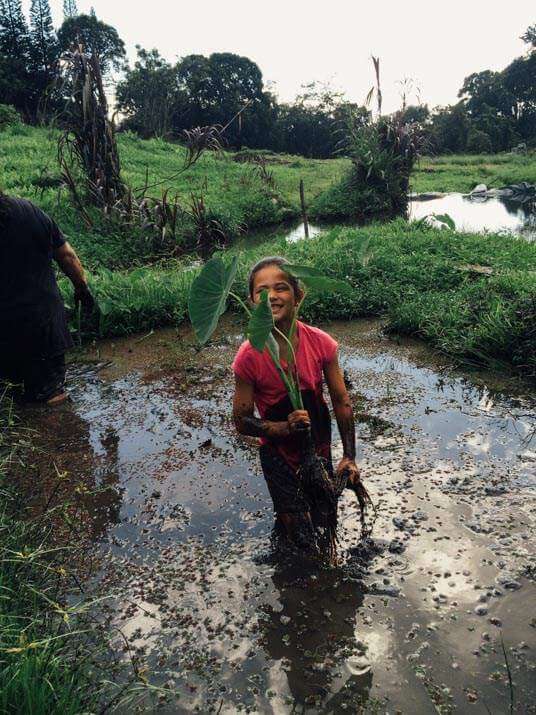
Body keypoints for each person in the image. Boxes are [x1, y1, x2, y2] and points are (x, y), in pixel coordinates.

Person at [232, 256, 363, 546]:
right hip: (278, 453)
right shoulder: (249, 355)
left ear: (298, 295)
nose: (272, 297)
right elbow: (241, 421)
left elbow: (341, 400)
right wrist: (282, 428)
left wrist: (349, 456)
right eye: (262, 291)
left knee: (326, 520)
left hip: (317, 444)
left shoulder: (320, 342)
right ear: (252, 300)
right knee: (297, 532)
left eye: (281, 288)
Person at [0, 192, 94, 404]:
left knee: (10, 399)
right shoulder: (29, 211)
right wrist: (82, 288)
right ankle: (61, 434)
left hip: (5, 331)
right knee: (51, 395)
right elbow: (67, 256)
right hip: (42, 325)